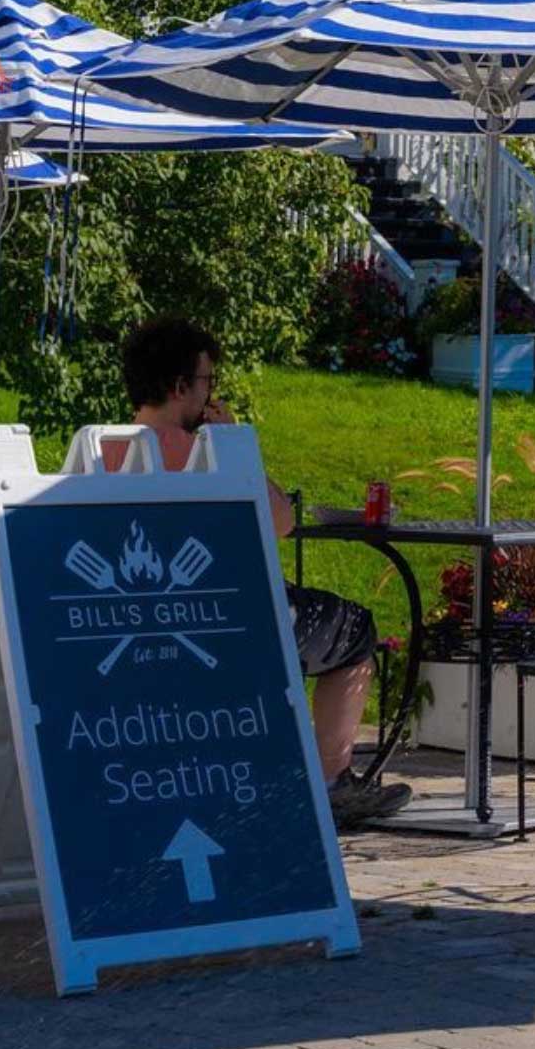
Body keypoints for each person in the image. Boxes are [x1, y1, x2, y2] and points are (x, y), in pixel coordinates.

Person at [112, 316, 410, 829]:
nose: (211, 396)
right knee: (354, 628)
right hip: (226, 624)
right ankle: (333, 781)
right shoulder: (204, 452)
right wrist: (235, 448)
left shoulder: (101, 450)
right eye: (208, 383)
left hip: (139, 627)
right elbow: (282, 521)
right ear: (180, 386)